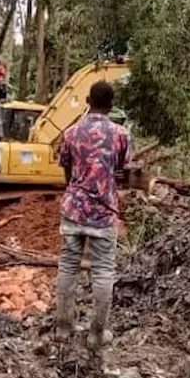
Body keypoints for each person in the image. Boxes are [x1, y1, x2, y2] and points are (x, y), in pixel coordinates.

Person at [52, 80, 131, 350]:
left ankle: (63, 327)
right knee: (103, 271)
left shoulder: (71, 132)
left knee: (68, 266)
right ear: (112, 104)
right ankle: (97, 334)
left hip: (74, 209)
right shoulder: (121, 134)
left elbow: (65, 166)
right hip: (104, 213)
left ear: (87, 100)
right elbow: (120, 168)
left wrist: (74, 190)